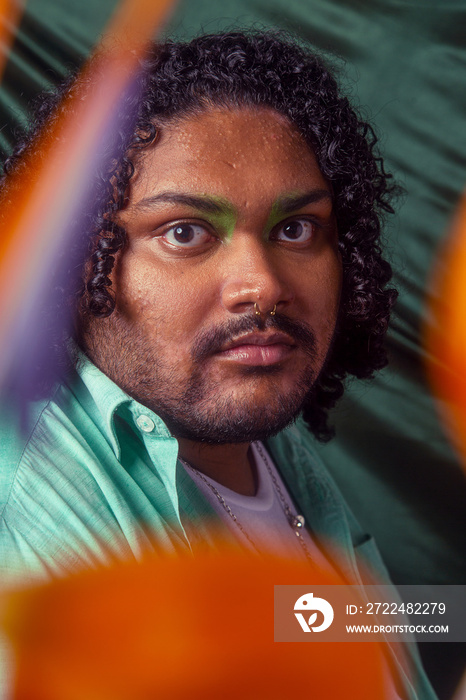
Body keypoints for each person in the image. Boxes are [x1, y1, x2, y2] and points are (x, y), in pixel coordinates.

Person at [0, 31, 436, 699]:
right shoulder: (32, 495)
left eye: (296, 229)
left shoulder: (256, 437)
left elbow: (312, 620)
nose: (261, 284)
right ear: (78, 261)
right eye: (185, 232)